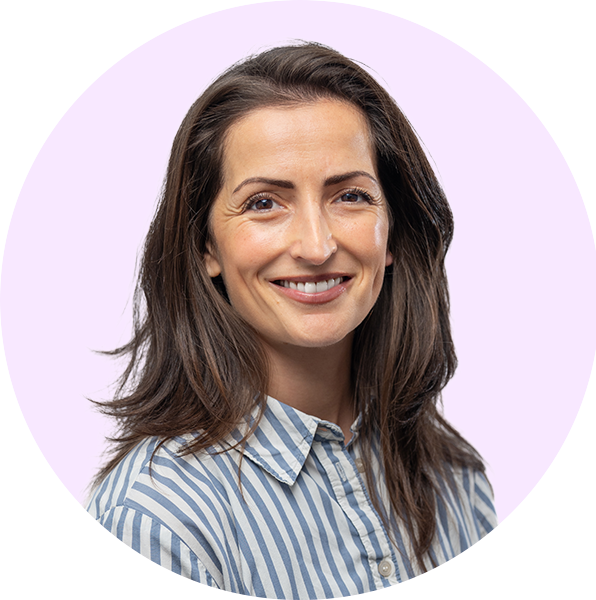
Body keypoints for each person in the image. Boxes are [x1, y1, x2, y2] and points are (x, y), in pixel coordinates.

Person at [86, 42, 497, 599]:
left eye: (350, 196)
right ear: (206, 246)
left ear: (392, 231)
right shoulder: (156, 520)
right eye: (264, 203)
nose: (317, 245)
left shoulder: (457, 479)